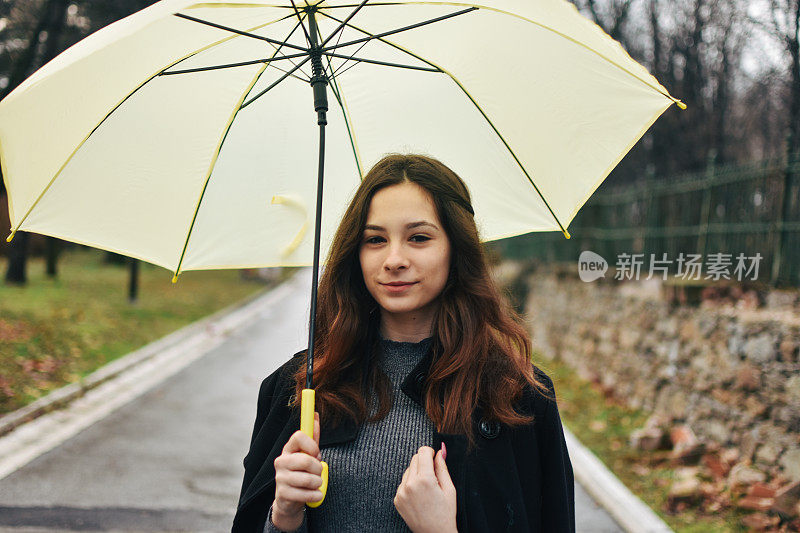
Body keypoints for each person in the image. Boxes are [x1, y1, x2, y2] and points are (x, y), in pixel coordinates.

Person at [232, 154, 575, 533]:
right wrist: (284, 516)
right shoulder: (296, 388)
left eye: (419, 238)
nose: (394, 259)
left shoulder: (516, 398)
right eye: (375, 239)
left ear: (456, 249)